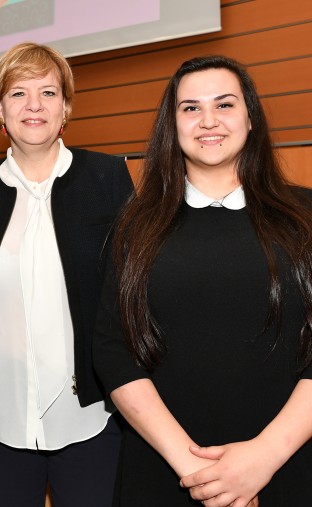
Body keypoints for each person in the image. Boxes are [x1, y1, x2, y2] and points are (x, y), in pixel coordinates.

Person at [93, 54, 312, 506]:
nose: (207, 120)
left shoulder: (305, 216)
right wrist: (198, 472)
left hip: (289, 467)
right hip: (166, 472)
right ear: (171, 126)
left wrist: (261, 460)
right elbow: (113, 350)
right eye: (190, 107)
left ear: (251, 118)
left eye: (225, 104)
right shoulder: (136, 225)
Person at [0, 42, 133, 507]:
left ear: (66, 107)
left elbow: (132, 297)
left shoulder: (109, 178)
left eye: (48, 93)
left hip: (92, 415)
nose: (34, 105)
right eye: (18, 93)